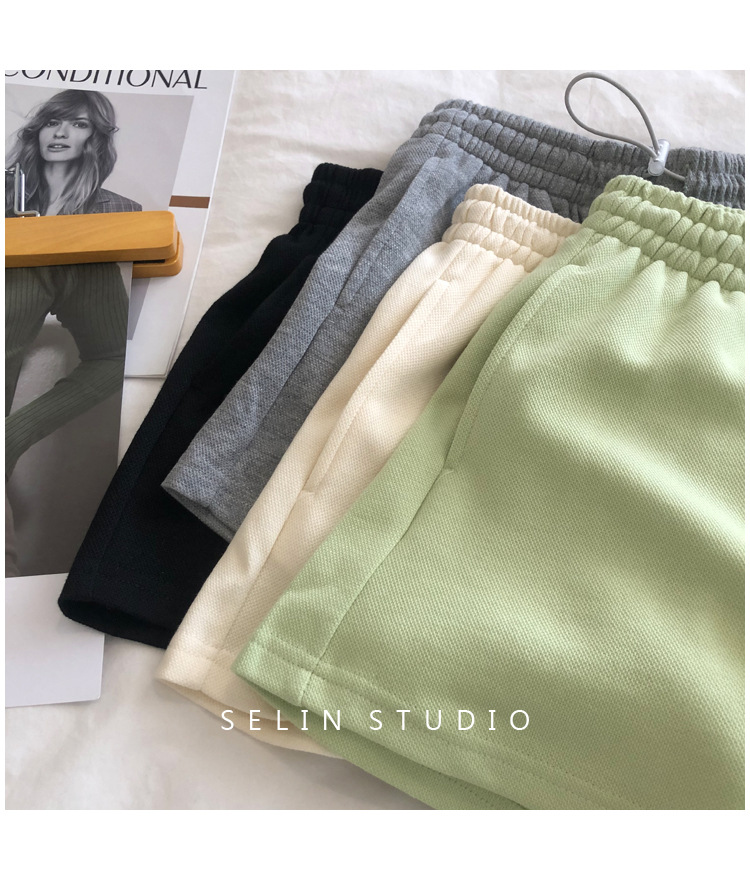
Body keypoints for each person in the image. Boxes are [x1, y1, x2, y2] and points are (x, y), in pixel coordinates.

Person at [5, 89, 139, 575]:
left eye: (79, 124)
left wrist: (12, 436)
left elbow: (112, 356)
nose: (61, 133)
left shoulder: (116, 215)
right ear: (37, 129)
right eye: (53, 121)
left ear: (94, 138)